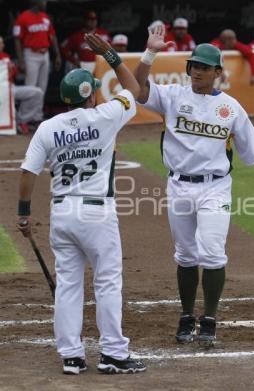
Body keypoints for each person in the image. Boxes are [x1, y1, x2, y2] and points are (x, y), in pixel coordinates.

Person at [134, 25, 254, 347]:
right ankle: (187, 316)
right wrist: (150, 53)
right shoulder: (173, 95)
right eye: (193, 66)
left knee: (213, 252)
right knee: (186, 255)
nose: (197, 72)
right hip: (178, 186)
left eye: (204, 67)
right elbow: (137, 88)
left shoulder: (230, 108)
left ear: (218, 71)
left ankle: (211, 319)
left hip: (215, 188)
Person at [17, 33, 146, 375]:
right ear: (90, 93)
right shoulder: (106, 115)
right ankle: (113, 353)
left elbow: (28, 172)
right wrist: (113, 58)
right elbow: (133, 89)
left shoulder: (48, 127)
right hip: (96, 213)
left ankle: (72, 356)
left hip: (61, 213)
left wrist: (24, 213)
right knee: (106, 282)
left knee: (69, 286)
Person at [13, 0, 61, 99]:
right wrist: (21, 60)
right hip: (31, 54)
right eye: (43, 1)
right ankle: (25, 114)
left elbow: (52, 36)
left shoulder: (45, 17)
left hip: (45, 54)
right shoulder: (23, 17)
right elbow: (17, 39)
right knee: (30, 87)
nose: (45, 3)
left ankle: (38, 114)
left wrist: (57, 55)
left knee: (42, 87)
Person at [0, 35, 43, 134]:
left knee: (37, 92)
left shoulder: (6, 56)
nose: (3, 45)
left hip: (10, 87)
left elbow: (14, 73)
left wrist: (13, 69)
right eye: (1, 43)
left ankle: (21, 121)